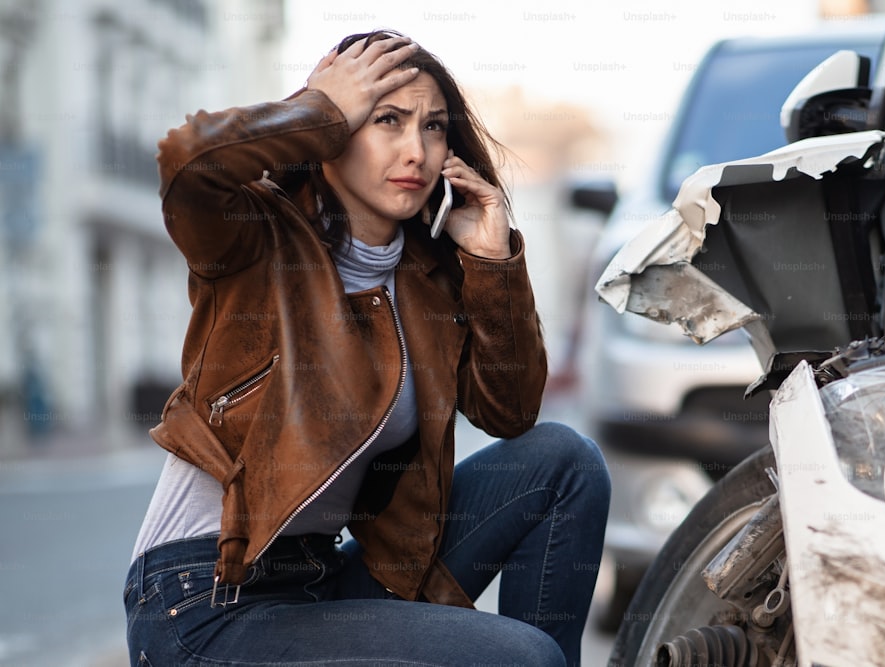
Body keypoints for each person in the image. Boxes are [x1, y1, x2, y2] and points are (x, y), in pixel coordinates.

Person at [123, 30, 611, 667]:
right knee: (521, 658)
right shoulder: (256, 240)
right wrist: (319, 107)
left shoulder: (427, 280)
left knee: (565, 461)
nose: (417, 150)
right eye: (387, 119)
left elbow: (511, 413)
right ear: (335, 132)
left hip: (323, 584)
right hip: (203, 602)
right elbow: (186, 165)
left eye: (434, 127)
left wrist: (492, 262)